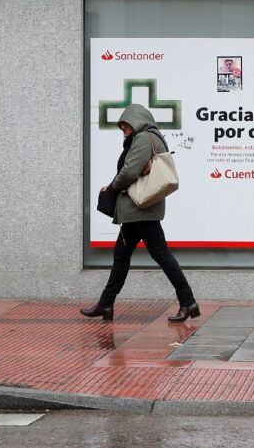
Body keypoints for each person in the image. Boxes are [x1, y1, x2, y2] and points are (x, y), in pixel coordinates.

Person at [81, 104, 200, 323]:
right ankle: (106, 304)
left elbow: (129, 171)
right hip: (137, 210)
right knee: (123, 255)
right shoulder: (147, 137)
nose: (124, 131)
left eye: (126, 126)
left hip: (141, 209)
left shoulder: (144, 138)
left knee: (160, 255)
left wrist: (113, 186)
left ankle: (188, 301)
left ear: (136, 121)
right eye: (122, 128)